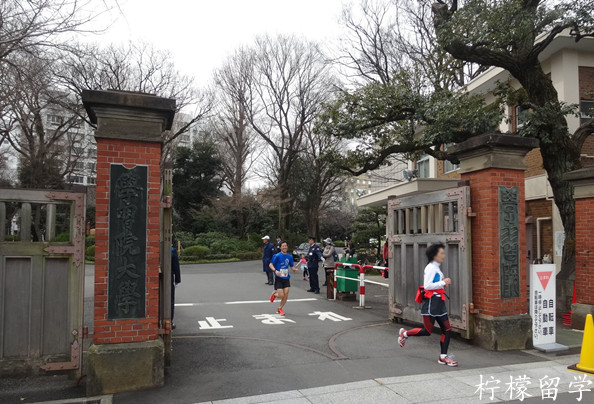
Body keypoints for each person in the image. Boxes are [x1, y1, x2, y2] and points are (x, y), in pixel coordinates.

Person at [397, 243, 458, 367]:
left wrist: (442, 283)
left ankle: (443, 357)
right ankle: (405, 334)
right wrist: (443, 282)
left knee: (447, 330)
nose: (443, 255)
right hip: (431, 304)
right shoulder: (430, 268)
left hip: (439, 302)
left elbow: (436, 284)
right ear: (434, 255)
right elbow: (428, 286)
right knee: (427, 331)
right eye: (441, 253)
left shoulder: (436, 268)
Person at [269, 241, 298, 315]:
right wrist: (275, 271)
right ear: (280, 247)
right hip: (279, 278)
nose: (285, 247)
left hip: (286, 278)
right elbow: (270, 265)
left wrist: (294, 269)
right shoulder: (277, 256)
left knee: (286, 295)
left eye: (286, 246)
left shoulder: (289, 256)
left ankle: (280, 308)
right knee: (281, 295)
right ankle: (274, 294)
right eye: (283, 246)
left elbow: (291, 265)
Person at [171, 246, 181, 330]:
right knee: (170, 300)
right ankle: (169, 321)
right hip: (168, 278)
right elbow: (176, 266)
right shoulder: (172, 250)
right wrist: (178, 280)